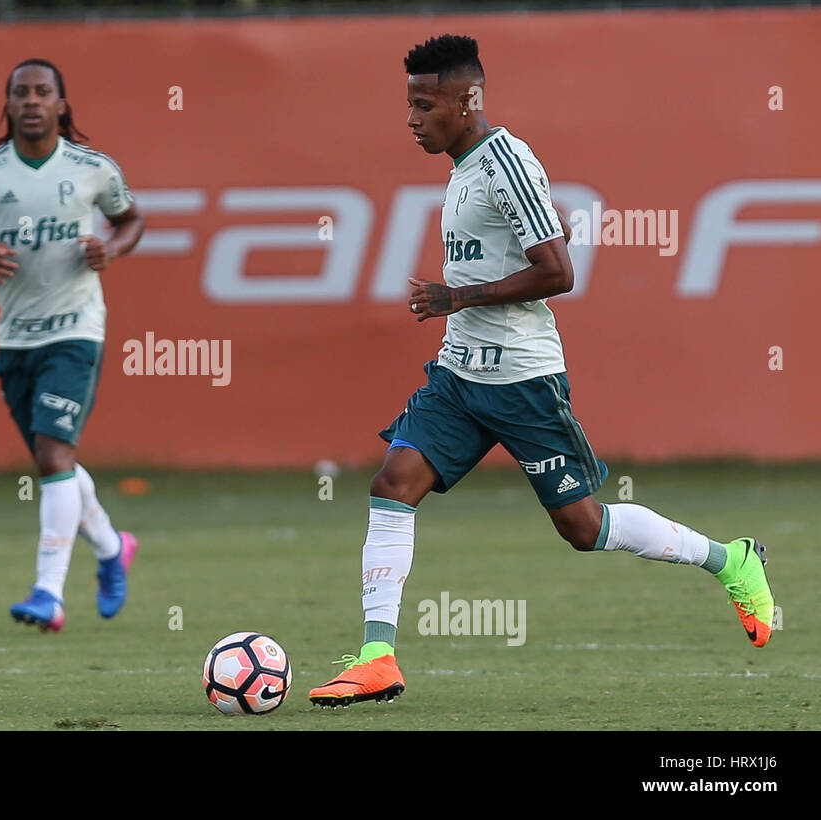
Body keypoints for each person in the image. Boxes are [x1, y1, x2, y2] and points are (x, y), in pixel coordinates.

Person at [308, 35, 774, 707]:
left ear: (466, 100)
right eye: (408, 104)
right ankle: (378, 656)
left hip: (523, 380)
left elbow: (558, 272)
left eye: (423, 104)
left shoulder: (506, 163)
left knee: (584, 529)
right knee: (394, 483)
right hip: (460, 375)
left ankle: (732, 560)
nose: (411, 119)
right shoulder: (465, 167)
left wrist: (454, 296)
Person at [0, 58, 145, 632]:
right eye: (20, 93)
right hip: (15, 337)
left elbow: (130, 221)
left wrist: (113, 248)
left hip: (76, 330)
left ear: (60, 104)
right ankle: (111, 547)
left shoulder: (93, 169)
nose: (31, 101)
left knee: (53, 458)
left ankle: (48, 593)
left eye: (42, 92)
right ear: (7, 105)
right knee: (57, 465)